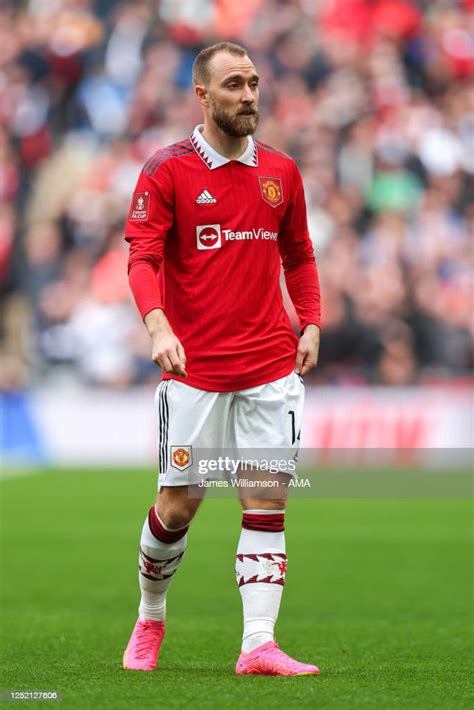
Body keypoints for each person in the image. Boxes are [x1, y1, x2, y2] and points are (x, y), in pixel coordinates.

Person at [122, 42, 321, 676]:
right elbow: (143, 257)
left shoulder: (282, 172)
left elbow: (300, 254)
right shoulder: (166, 169)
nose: (249, 95)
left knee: (266, 500)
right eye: (234, 84)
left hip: (269, 367)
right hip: (195, 373)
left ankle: (258, 644)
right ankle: (151, 616)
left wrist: (311, 321)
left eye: (255, 82)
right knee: (179, 504)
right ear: (203, 95)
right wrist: (157, 326)